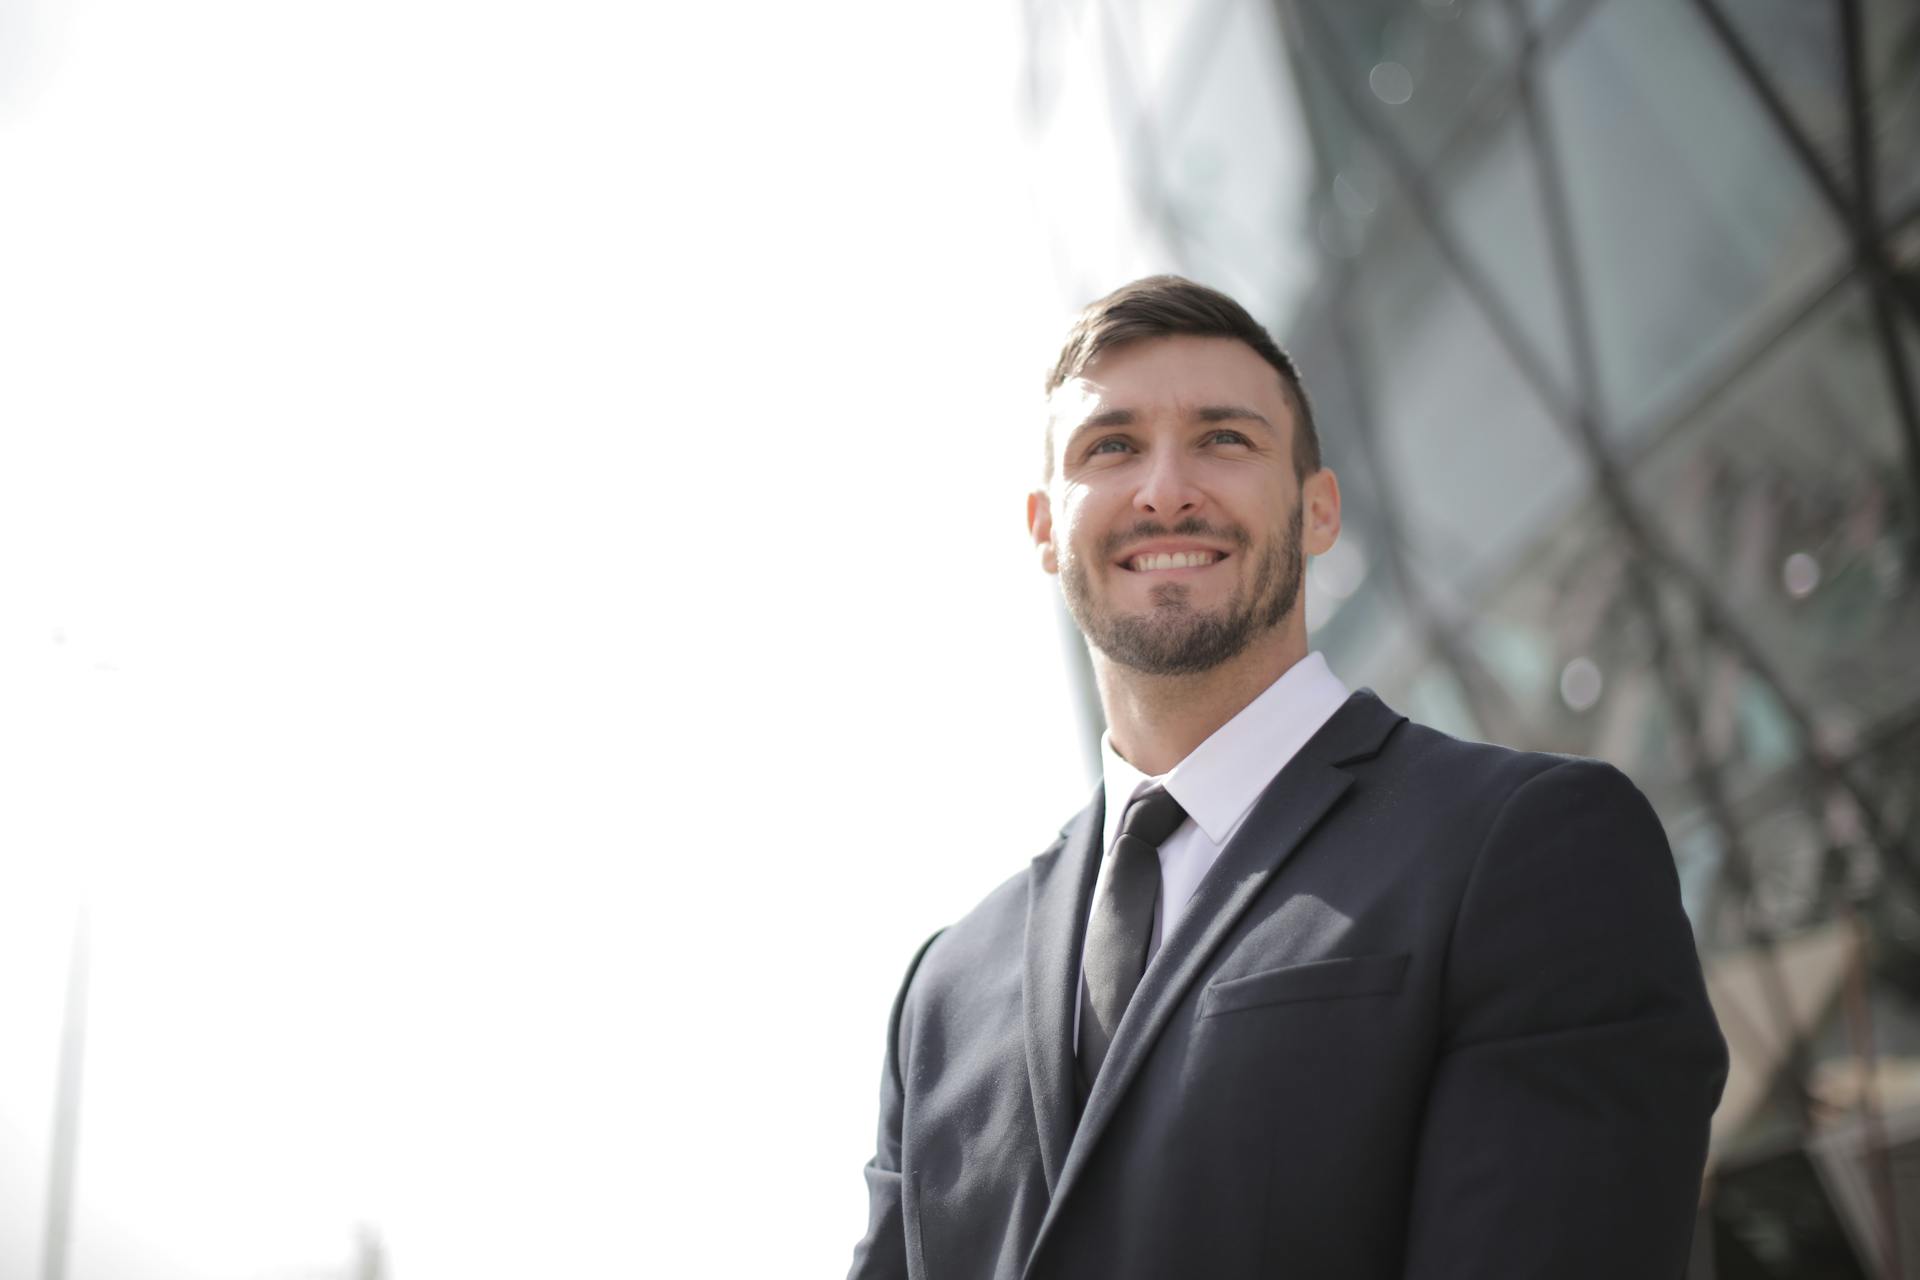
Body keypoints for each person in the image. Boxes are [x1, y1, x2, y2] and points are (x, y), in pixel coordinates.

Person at [847, 275, 1726, 1280]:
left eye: (1225, 438)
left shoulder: (1532, 847)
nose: (1165, 489)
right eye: (1112, 446)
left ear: (1318, 511)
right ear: (1045, 526)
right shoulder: (944, 993)